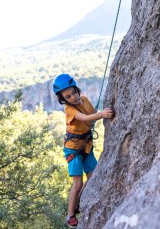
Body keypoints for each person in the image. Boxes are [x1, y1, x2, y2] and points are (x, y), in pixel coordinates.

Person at [53, 73, 114, 228]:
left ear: (76, 89)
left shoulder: (84, 100)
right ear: (63, 99)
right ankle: (70, 214)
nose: (73, 97)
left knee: (93, 176)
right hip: (72, 149)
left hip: (86, 146)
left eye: (73, 92)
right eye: (68, 96)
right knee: (78, 182)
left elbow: (91, 113)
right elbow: (87, 118)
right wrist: (101, 114)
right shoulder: (69, 110)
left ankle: (79, 201)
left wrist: (98, 114)